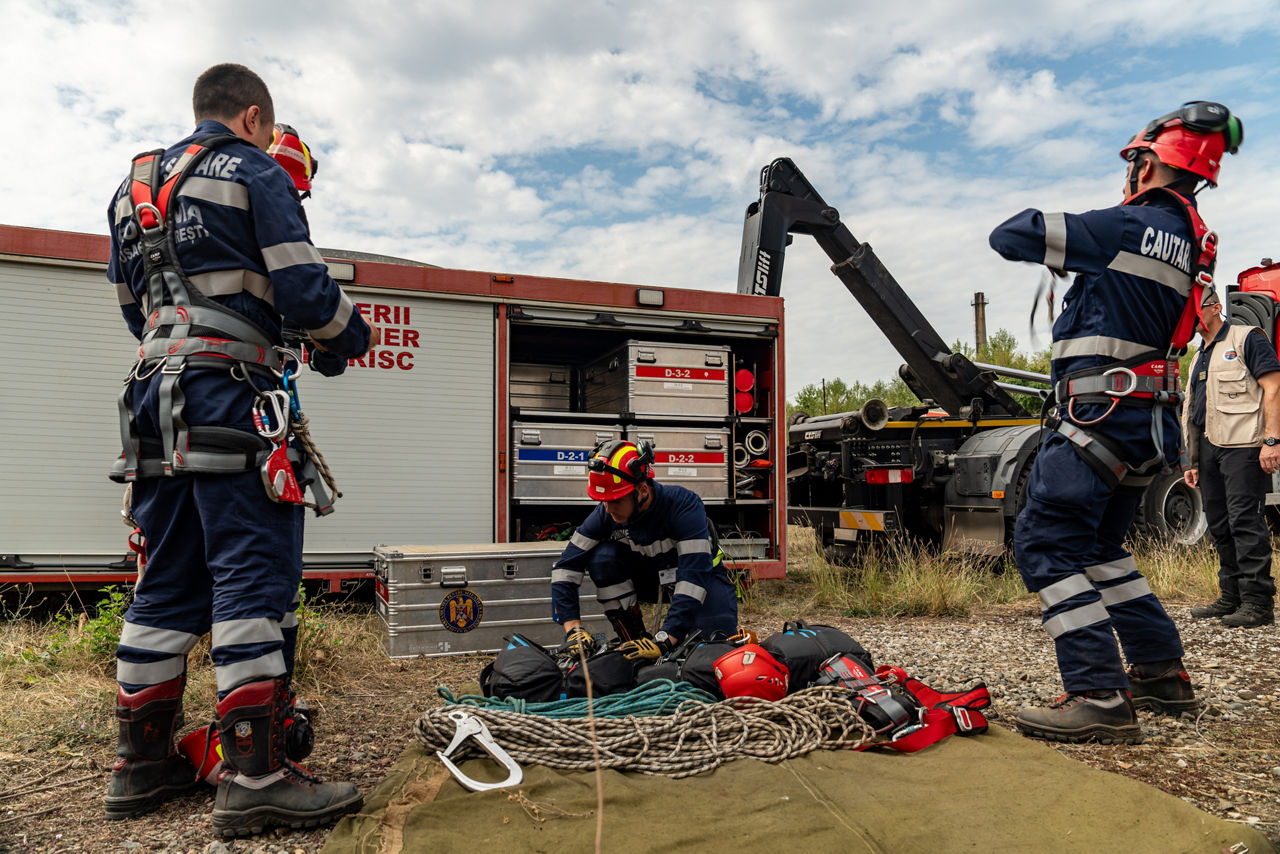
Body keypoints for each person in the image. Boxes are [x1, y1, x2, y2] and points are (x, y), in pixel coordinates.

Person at [103, 63, 379, 836]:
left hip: (153, 404)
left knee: (163, 585)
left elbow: (137, 310)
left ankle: (141, 766)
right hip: (231, 401)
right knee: (250, 581)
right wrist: (347, 338)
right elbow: (303, 288)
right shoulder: (253, 167)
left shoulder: (132, 187)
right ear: (254, 116)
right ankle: (255, 776)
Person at [988, 101, 1242, 743]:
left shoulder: (1127, 226)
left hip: (1097, 416)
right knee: (1100, 549)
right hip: (1145, 423)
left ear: (1149, 162)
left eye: (1134, 162)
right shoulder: (1194, 241)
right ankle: (1161, 675)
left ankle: (1098, 693)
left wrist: (1083, 233)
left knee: (1045, 542)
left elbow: (1010, 234)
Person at [550, 440, 737, 660]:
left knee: (714, 650)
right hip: (652, 579)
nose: (607, 509)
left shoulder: (684, 506)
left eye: (615, 501)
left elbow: (693, 579)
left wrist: (666, 639)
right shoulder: (606, 513)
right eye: (603, 501)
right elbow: (565, 568)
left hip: (702, 580)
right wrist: (573, 630)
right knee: (603, 559)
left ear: (642, 490)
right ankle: (632, 640)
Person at [1182, 287, 1279, 628]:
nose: (1189, 317)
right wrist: (1193, 462)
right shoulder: (1199, 356)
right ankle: (1232, 596)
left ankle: (1257, 602)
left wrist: (1271, 440)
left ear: (1215, 307)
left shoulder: (1246, 338)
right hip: (1210, 449)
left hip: (1244, 446)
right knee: (1220, 524)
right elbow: (1196, 411)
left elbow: (1273, 386)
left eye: (1194, 309)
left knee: (1244, 522)